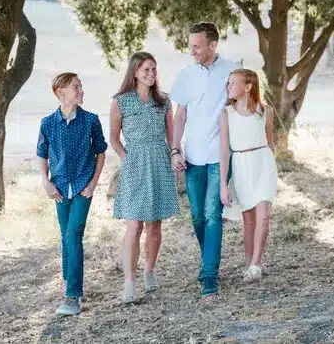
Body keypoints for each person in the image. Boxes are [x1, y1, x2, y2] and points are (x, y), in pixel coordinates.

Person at [170, 22, 236, 299]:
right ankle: (209, 259)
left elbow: (242, 107)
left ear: (213, 45)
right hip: (193, 157)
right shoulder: (186, 74)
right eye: (191, 45)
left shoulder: (232, 71)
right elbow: (180, 115)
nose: (192, 51)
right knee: (197, 215)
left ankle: (210, 273)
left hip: (220, 156)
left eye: (197, 46)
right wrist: (175, 149)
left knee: (212, 214)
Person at [110, 52, 179, 303]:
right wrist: (126, 158)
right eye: (146, 70)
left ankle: (149, 270)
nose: (151, 74)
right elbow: (114, 139)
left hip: (159, 161)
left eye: (154, 70)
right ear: (135, 72)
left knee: (154, 224)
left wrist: (174, 153)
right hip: (134, 163)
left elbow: (172, 136)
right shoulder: (121, 102)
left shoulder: (164, 101)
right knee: (134, 225)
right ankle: (129, 281)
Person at [37, 72, 107, 315]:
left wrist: (94, 183)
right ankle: (69, 282)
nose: (81, 90)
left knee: (73, 235)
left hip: (82, 188)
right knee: (66, 236)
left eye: (81, 86)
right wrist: (46, 182)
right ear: (61, 92)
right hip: (59, 188)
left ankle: (73, 295)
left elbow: (100, 152)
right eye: (76, 87)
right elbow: (41, 154)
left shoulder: (91, 120)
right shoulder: (47, 123)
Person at [220, 69, 278, 282]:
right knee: (249, 221)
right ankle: (248, 262)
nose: (228, 87)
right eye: (228, 83)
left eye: (233, 83)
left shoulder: (266, 111)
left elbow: (270, 142)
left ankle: (255, 264)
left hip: (263, 164)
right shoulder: (227, 113)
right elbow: (224, 150)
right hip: (242, 166)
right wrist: (224, 185)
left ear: (247, 87)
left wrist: (273, 168)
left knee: (264, 215)